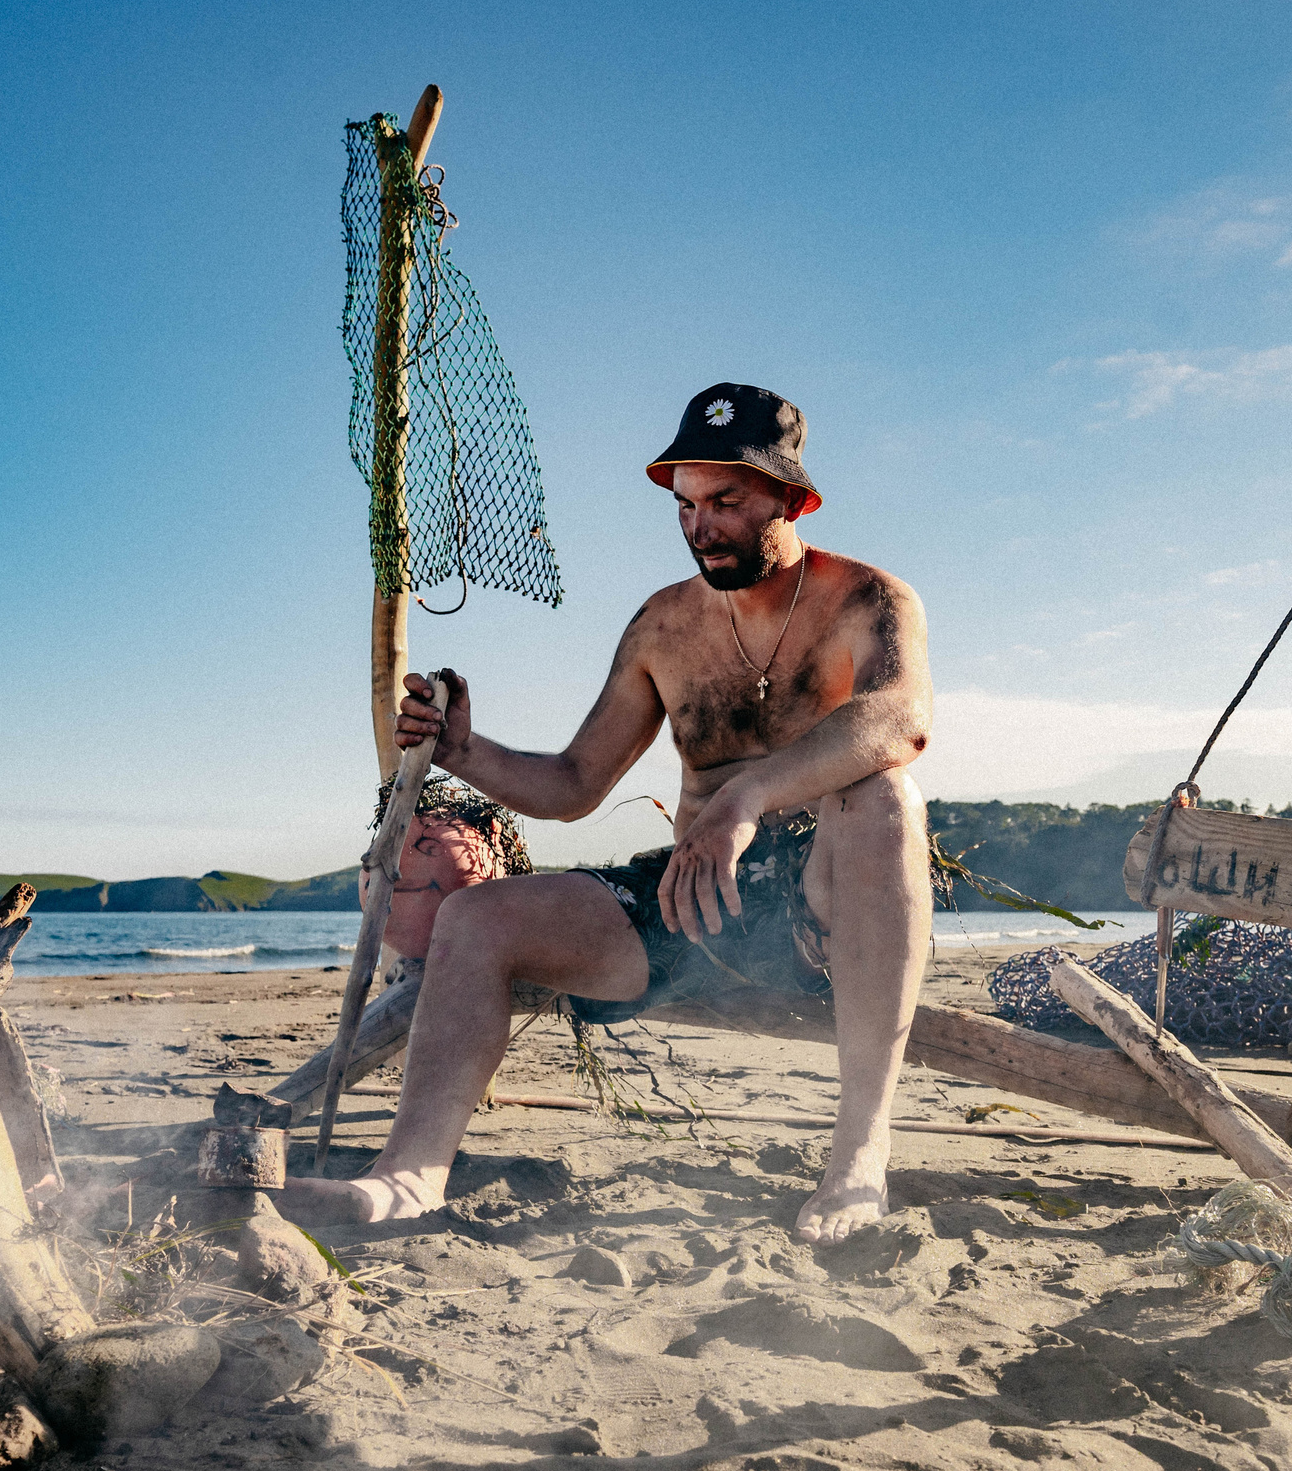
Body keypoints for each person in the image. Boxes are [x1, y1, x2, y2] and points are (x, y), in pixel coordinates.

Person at [282, 383, 933, 1244]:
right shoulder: (662, 627)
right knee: (477, 916)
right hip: (694, 899)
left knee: (883, 793)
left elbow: (902, 717)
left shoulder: (869, 600)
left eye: (728, 502)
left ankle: (858, 1156)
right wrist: (464, 751)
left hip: (830, 901)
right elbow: (576, 782)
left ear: (792, 497)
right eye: (686, 505)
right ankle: (410, 1175)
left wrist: (747, 794)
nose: (702, 526)